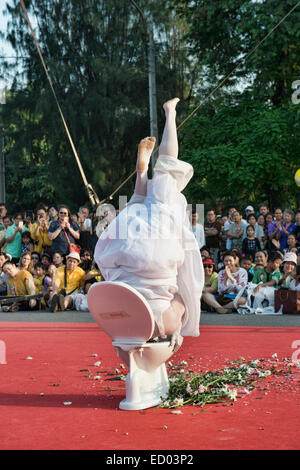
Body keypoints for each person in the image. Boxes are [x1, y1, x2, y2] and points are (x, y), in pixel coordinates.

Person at [94, 98, 204, 346]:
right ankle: (142, 172)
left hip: (156, 248)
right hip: (129, 265)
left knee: (166, 167)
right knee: (136, 203)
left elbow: (186, 291)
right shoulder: (146, 326)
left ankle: (170, 114)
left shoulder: (167, 322)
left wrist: (177, 328)